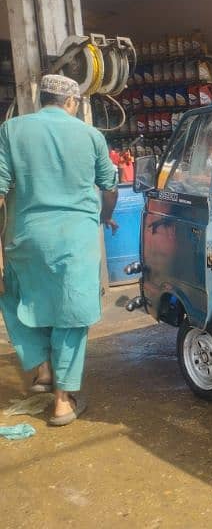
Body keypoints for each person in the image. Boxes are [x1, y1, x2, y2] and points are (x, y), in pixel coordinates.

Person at [0, 75, 119, 426]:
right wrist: (104, 218)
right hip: (75, 241)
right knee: (70, 314)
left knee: (19, 299)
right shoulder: (91, 135)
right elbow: (109, 188)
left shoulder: (11, 130)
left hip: (25, 238)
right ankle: (63, 403)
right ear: (73, 102)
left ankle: (42, 369)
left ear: (42, 98)